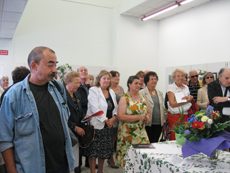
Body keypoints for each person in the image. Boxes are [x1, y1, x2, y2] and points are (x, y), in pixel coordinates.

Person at [0, 46, 75, 173]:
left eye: (55, 65)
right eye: (50, 65)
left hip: (62, 164)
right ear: (34, 66)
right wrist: (11, 169)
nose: (55, 70)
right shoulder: (13, 96)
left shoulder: (58, 88)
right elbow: (5, 138)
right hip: (32, 167)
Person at [85, 70, 118, 173]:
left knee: (103, 151)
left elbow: (115, 108)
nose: (106, 80)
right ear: (99, 80)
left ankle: (100, 171)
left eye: (108, 78)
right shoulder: (94, 90)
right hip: (96, 125)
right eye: (104, 78)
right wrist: (106, 120)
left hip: (107, 126)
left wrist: (113, 118)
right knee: (93, 152)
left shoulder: (111, 92)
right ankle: (93, 171)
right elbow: (95, 108)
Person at [116, 75, 150, 167]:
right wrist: (138, 117)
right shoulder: (124, 98)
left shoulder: (143, 97)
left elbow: (148, 112)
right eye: (136, 83)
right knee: (128, 161)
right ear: (129, 85)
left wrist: (147, 117)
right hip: (127, 134)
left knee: (142, 158)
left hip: (141, 133)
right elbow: (120, 116)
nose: (138, 85)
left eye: (139, 83)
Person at [64, 71, 84, 173]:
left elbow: (79, 112)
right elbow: (62, 117)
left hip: (78, 131)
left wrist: (86, 117)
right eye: (76, 83)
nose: (78, 85)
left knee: (77, 158)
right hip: (68, 131)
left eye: (79, 83)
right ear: (68, 82)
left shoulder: (76, 95)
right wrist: (74, 127)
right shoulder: (63, 96)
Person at [139, 71, 167, 143]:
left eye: (155, 79)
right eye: (152, 79)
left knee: (155, 142)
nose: (154, 81)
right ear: (147, 81)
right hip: (147, 123)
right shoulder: (141, 93)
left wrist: (164, 122)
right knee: (147, 142)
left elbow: (163, 108)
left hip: (158, 123)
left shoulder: (160, 93)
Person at [167, 68, 193, 140]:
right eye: (178, 76)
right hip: (174, 115)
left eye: (182, 76)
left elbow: (188, 100)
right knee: (175, 136)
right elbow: (172, 103)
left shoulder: (186, 87)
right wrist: (186, 101)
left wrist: (180, 101)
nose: (180, 78)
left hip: (185, 115)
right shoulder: (171, 87)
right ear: (174, 77)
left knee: (185, 136)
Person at [76, 66, 94, 168]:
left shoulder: (88, 86)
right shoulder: (77, 86)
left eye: (85, 70)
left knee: (88, 139)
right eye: (81, 70)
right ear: (78, 73)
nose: (84, 72)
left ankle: (88, 162)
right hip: (80, 116)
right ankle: (78, 164)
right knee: (80, 141)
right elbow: (80, 102)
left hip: (89, 116)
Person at [108, 70, 124, 168]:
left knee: (119, 138)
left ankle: (118, 158)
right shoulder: (108, 89)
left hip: (122, 117)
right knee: (112, 139)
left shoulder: (121, 88)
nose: (117, 78)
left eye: (118, 76)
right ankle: (111, 160)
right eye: (115, 76)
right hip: (113, 116)